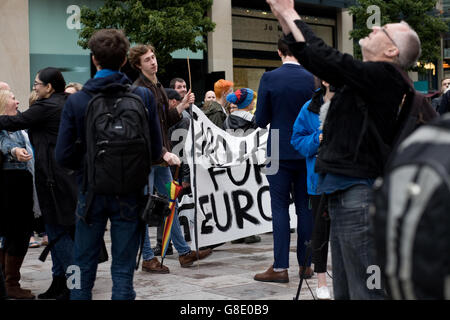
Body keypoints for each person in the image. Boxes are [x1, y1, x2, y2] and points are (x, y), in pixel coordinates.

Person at [267, 0, 423, 299]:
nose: (375, 26)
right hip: (343, 193)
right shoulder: (367, 79)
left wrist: (290, 13)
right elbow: (313, 57)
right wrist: (284, 19)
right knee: (347, 290)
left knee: (366, 290)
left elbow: (328, 60)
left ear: (392, 52)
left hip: (359, 196)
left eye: (384, 30)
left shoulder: (387, 77)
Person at [128, 44, 212, 273]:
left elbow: (164, 119)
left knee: (170, 203)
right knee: (146, 209)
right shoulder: (138, 89)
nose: (153, 62)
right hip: (148, 160)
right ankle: (147, 257)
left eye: (153, 57)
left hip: (162, 160)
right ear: (138, 65)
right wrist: (162, 152)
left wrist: (182, 106)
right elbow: (145, 128)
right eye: (147, 60)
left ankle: (183, 252)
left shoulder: (158, 87)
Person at [0, 68, 78, 300]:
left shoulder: (46, 107)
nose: (34, 87)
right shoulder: (67, 102)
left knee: (59, 235)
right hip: (65, 179)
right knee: (57, 234)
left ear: (49, 87)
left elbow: (18, 122)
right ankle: (60, 285)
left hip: (54, 182)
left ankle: (76, 287)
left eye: (37, 83)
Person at [253, 38, 315, 284]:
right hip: (306, 147)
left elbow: (260, 119)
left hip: (276, 145)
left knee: (279, 207)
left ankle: (280, 267)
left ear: (279, 51)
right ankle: (306, 264)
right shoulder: (313, 77)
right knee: (305, 208)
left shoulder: (269, 78)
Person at [291, 80, 335, 300]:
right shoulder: (310, 106)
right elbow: (296, 140)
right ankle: (321, 281)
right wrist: (316, 139)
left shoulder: (354, 102)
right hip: (318, 180)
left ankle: (349, 278)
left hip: (350, 179)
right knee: (319, 232)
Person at [0, 89, 35, 299]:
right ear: (4, 103)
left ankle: (9, 282)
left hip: (21, 183)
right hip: (11, 185)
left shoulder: (19, 126)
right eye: (13, 98)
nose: (18, 101)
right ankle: (10, 283)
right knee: (17, 233)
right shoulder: (4, 126)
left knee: (17, 233)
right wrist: (15, 151)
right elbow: (4, 144)